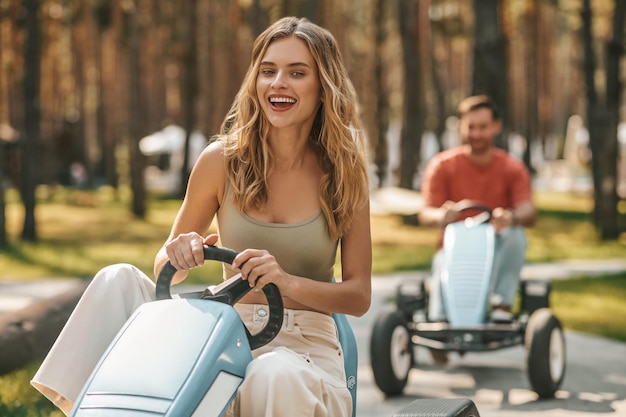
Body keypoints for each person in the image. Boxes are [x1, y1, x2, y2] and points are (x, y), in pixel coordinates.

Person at [31, 16, 372, 417]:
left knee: (271, 374)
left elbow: (359, 295)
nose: (278, 82)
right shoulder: (220, 161)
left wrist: (286, 281)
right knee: (116, 280)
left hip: (304, 348)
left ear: (322, 86)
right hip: (222, 336)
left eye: (297, 72)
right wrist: (180, 254)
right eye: (268, 71)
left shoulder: (345, 171)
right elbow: (165, 266)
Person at [418, 95, 536, 325]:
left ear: (495, 127)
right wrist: (442, 215)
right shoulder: (442, 165)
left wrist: (511, 217)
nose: (477, 134)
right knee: (442, 270)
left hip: (495, 245)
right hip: (454, 247)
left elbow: (528, 210)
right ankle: (440, 320)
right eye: (471, 127)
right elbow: (425, 212)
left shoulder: (512, 167)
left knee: (515, 235)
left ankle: (503, 306)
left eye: (483, 127)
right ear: (461, 127)